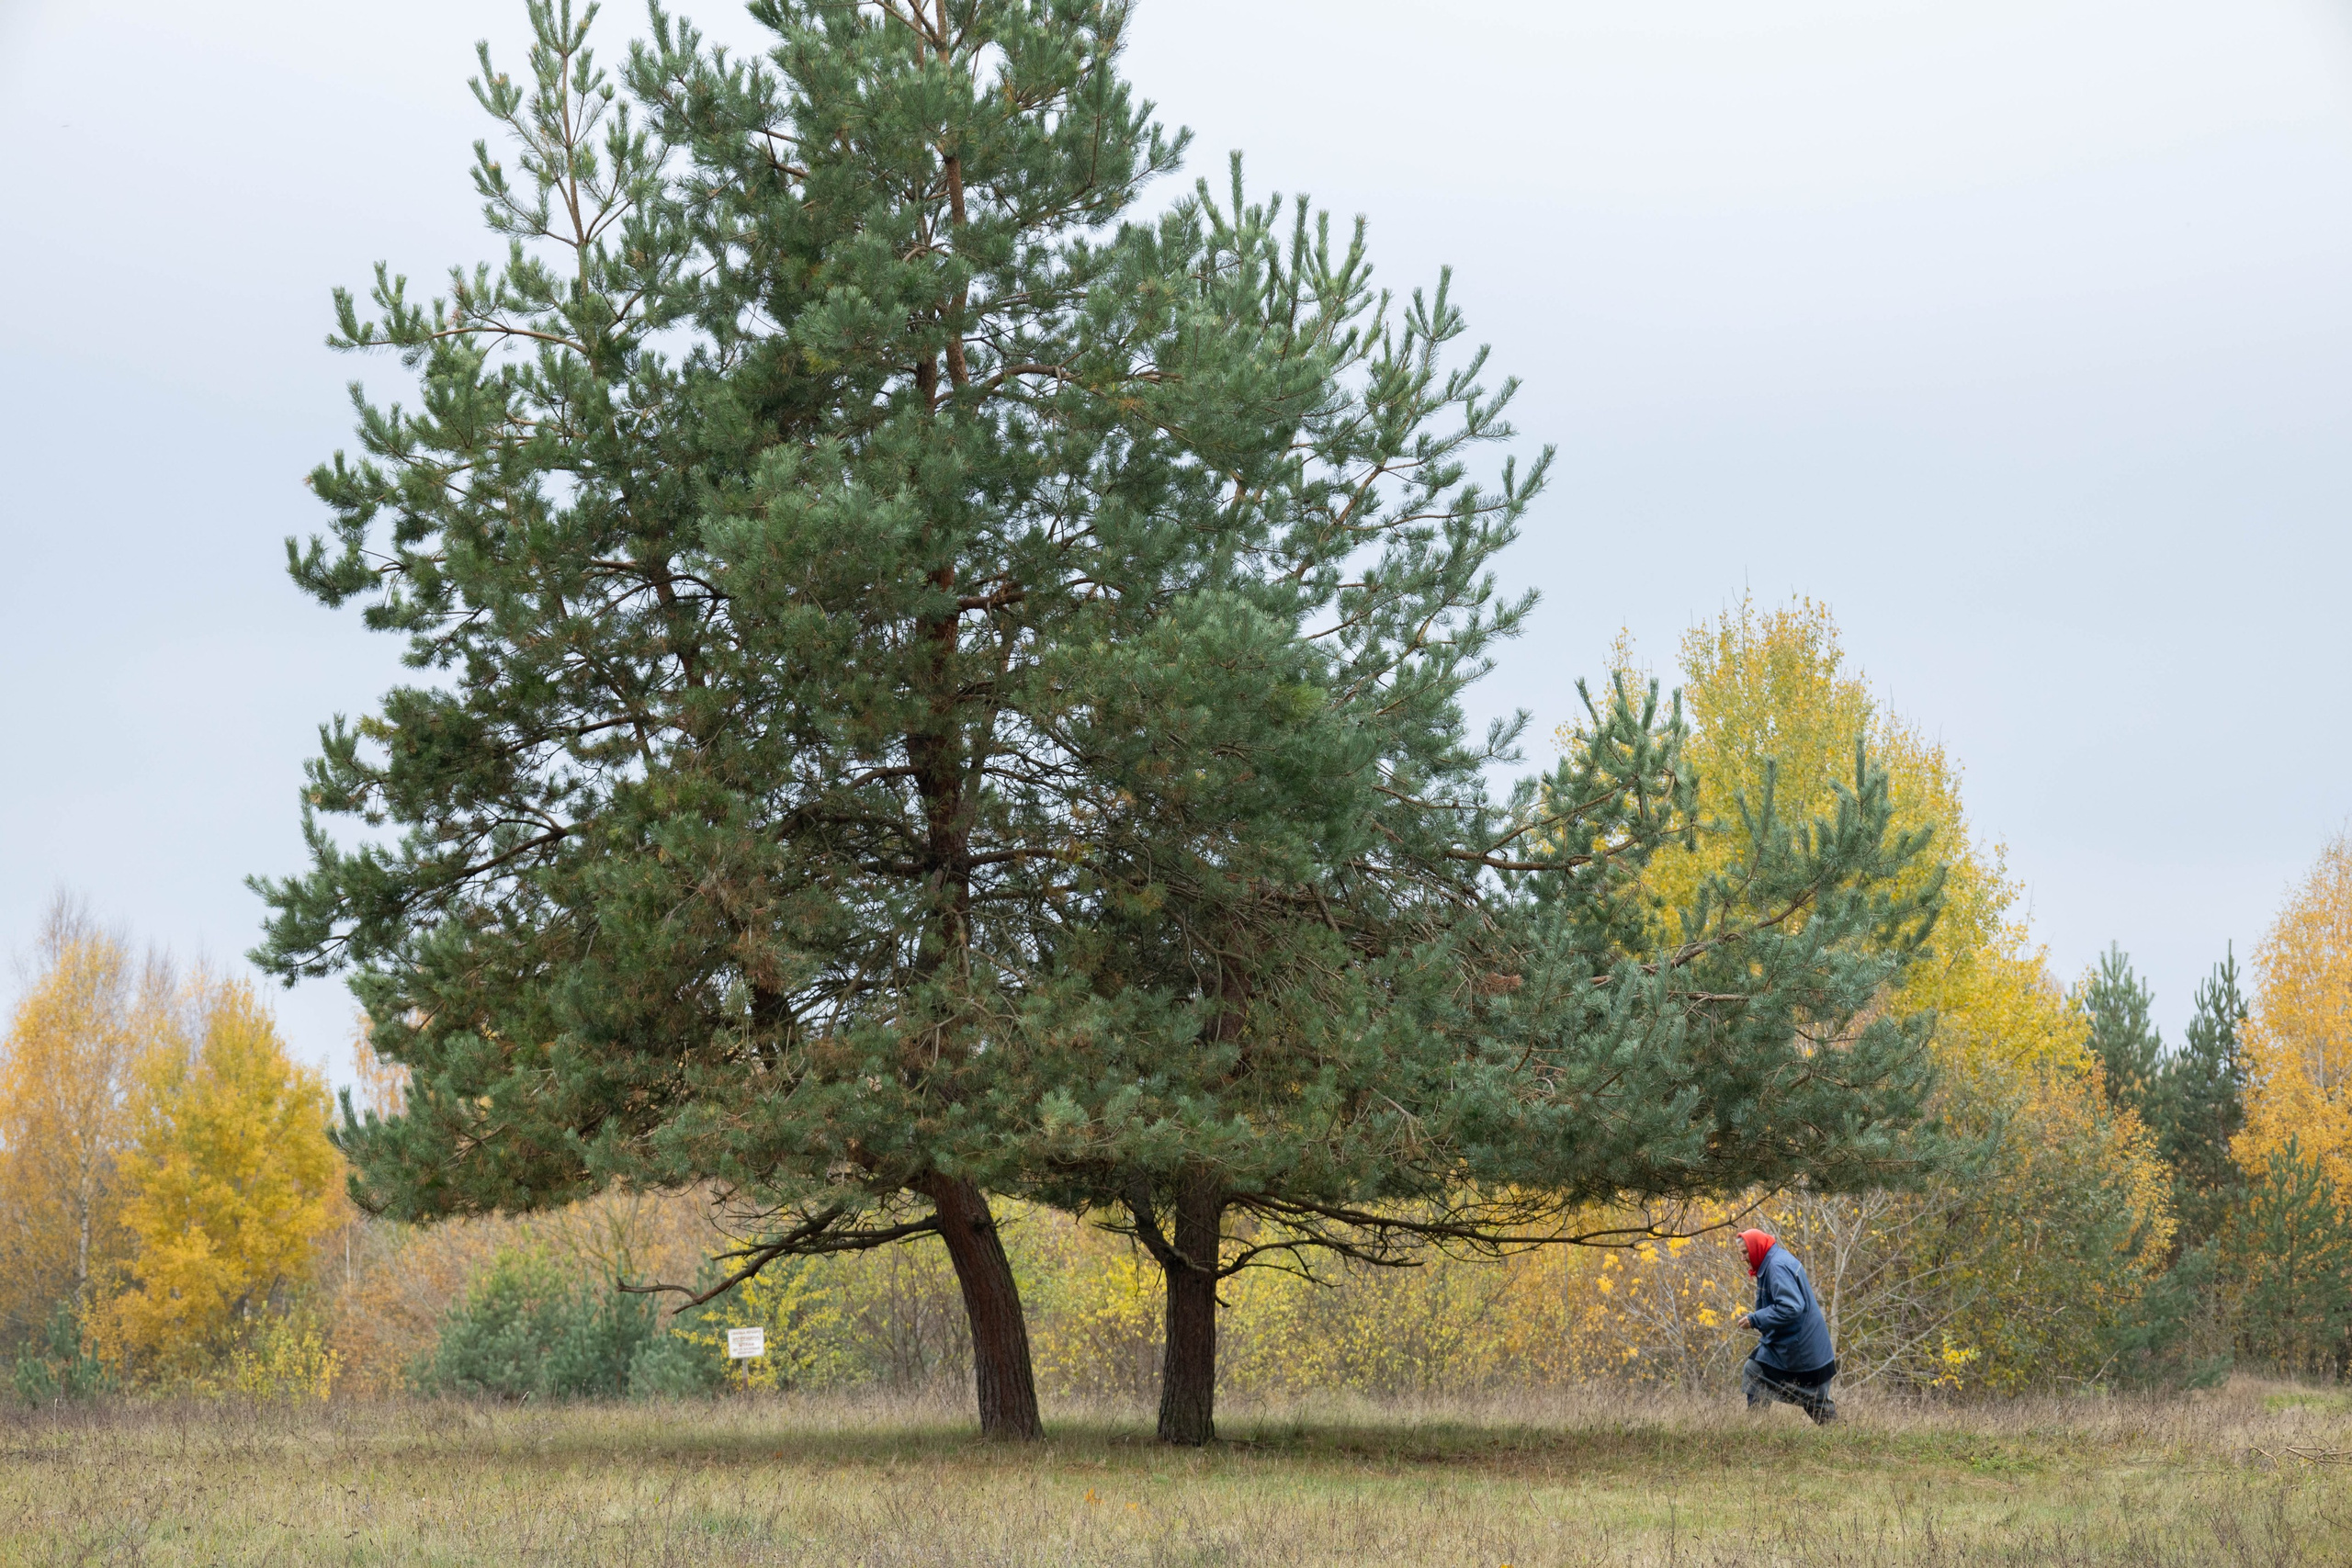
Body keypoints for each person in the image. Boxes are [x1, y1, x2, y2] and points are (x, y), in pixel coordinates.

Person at [1736, 1228, 1837, 1424]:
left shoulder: (1776, 1266)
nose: (1742, 1259)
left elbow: (1791, 1307)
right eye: (1741, 1253)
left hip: (1804, 1353)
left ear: (1756, 1248)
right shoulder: (1772, 1261)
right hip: (1793, 1347)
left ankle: (1844, 1443)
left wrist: (1756, 1319)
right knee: (1754, 1370)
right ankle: (1756, 1430)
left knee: (1818, 1406)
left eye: (1745, 1252)